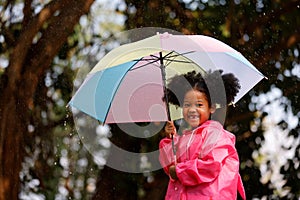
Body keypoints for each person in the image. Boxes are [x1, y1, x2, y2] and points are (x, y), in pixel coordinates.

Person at [159, 70, 246, 200]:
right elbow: (170, 165)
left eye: (199, 105)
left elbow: (211, 166)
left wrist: (179, 171)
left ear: (211, 107)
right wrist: (169, 139)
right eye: (187, 105)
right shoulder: (184, 139)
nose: (192, 109)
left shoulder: (216, 135)